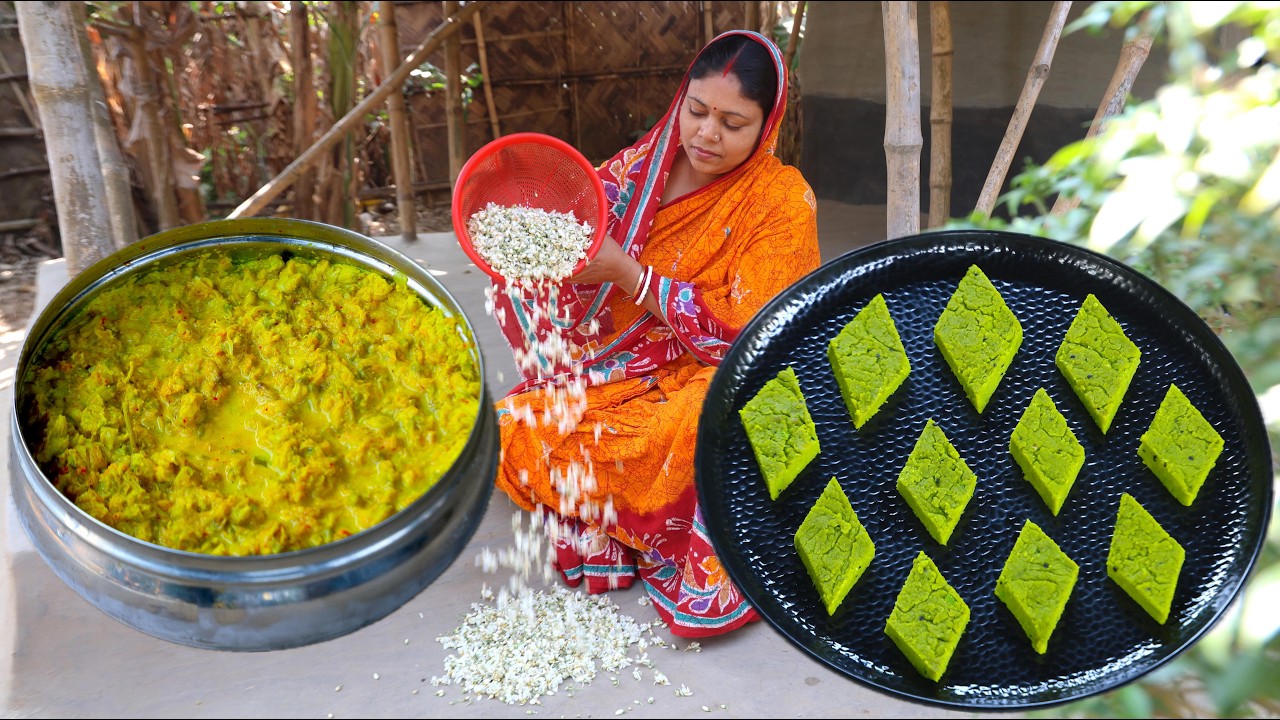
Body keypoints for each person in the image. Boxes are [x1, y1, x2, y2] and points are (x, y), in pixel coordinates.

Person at [488, 30, 820, 638]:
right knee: (515, 429)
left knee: (708, 429)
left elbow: (764, 339)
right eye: (696, 111)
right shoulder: (638, 168)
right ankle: (616, 518)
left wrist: (634, 278)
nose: (706, 135)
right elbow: (571, 248)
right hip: (619, 369)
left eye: (732, 122)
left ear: (766, 126)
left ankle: (627, 525)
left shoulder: (780, 200)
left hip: (711, 373)